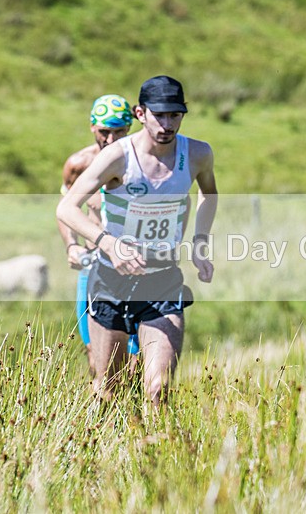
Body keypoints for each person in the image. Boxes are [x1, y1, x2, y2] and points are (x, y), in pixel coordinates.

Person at [57, 75, 218, 404]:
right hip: (110, 280)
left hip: (162, 280)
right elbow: (67, 207)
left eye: (175, 115)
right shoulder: (117, 156)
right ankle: (102, 450)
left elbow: (209, 194)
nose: (167, 124)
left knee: (157, 388)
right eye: (159, 115)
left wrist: (200, 241)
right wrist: (108, 244)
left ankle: (157, 453)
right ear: (141, 113)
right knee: (108, 390)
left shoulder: (198, 153)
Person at [58, 94, 139, 364]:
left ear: (130, 128)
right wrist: (71, 245)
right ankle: (105, 406)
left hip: (135, 267)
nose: (112, 140)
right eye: (105, 132)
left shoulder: (141, 164)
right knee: (96, 354)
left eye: (119, 131)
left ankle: (139, 407)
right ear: (93, 127)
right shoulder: (78, 165)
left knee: (137, 358)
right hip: (94, 266)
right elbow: (66, 208)